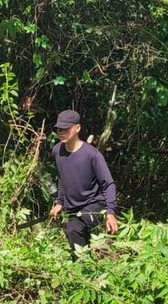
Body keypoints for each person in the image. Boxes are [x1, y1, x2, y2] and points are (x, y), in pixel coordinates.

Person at [48, 110, 118, 259]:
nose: (62, 132)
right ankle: (87, 269)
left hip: (95, 204)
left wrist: (111, 212)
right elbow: (62, 177)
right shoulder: (57, 151)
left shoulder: (92, 155)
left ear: (77, 128)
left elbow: (109, 184)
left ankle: (83, 270)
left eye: (66, 129)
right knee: (84, 239)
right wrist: (60, 202)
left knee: (73, 230)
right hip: (74, 208)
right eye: (59, 129)